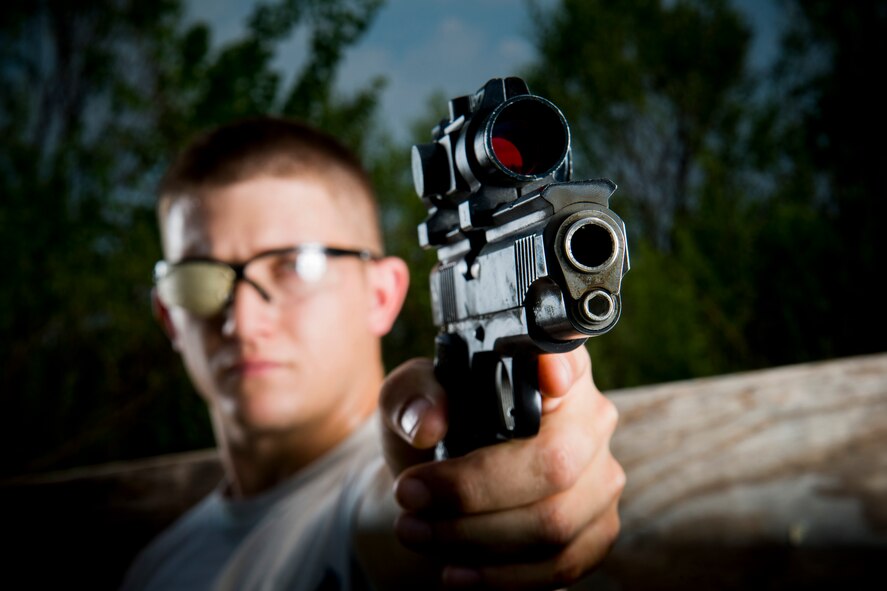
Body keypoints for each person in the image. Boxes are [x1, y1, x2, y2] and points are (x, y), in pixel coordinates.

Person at [121, 115, 625, 591]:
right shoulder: (154, 569)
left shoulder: (373, 500)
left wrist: (476, 485)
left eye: (296, 265)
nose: (242, 320)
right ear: (168, 314)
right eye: (199, 280)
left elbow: (390, 516)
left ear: (381, 295)